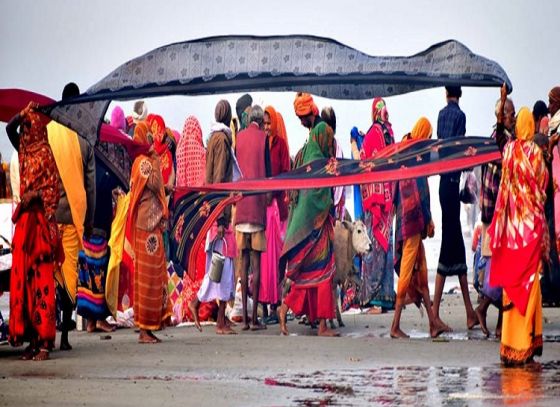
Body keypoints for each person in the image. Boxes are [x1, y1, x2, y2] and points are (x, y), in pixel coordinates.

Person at [489, 86, 546, 365]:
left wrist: (501, 102)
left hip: (511, 230)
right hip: (531, 230)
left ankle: (511, 346)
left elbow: (499, 138)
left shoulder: (509, 151)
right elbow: (543, 186)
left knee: (512, 286)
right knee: (531, 285)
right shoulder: (535, 154)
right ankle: (529, 341)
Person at [278, 92, 338, 337]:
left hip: (312, 216)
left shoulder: (314, 138)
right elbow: (324, 175)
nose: (301, 122)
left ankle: (286, 310)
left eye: (302, 117)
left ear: (310, 114)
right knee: (324, 267)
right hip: (317, 217)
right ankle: (322, 324)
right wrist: (327, 202)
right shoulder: (319, 137)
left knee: (312, 271)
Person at [6, 102, 60, 360]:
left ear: (38, 127)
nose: (24, 131)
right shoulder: (23, 151)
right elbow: (9, 129)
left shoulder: (46, 154)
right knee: (24, 283)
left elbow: (53, 190)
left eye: (28, 126)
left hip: (39, 222)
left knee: (42, 283)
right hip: (25, 225)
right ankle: (31, 339)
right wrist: (21, 113)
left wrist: (34, 195)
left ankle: (45, 342)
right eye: (24, 128)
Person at [47, 83, 97, 350]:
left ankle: (46, 333)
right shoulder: (83, 138)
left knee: (51, 275)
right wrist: (88, 223)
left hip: (49, 216)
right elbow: (90, 187)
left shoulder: (48, 132)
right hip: (73, 216)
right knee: (70, 276)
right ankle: (64, 338)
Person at [391, 117, 448, 338]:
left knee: (421, 271)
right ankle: (395, 326)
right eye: (429, 135)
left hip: (404, 220)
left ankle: (433, 323)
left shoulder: (405, 148)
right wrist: (428, 219)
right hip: (412, 224)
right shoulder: (416, 155)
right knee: (406, 273)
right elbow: (422, 194)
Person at [189, 100, 237, 335]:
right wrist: (220, 219)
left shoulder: (215, 139)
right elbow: (219, 179)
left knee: (220, 267)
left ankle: (219, 317)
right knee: (222, 267)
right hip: (220, 213)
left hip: (217, 211)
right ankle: (207, 310)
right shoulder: (222, 141)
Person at [432, 86, 477, 331]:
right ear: (460, 94)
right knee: (450, 245)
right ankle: (434, 315)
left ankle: (469, 312)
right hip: (452, 182)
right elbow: (459, 148)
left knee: (456, 245)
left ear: (445, 93)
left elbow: (441, 146)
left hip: (442, 183)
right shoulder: (460, 117)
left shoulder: (441, 115)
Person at [128, 122, 172, 343]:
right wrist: (155, 157)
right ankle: (145, 329)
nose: (150, 141)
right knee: (149, 278)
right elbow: (155, 183)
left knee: (155, 276)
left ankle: (150, 324)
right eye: (147, 137)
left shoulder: (139, 162)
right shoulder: (144, 163)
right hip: (147, 228)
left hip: (149, 226)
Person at [476, 97, 515, 338]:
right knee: (501, 269)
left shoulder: (495, 139)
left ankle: (501, 323)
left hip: (496, 213)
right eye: (509, 113)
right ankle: (484, 308)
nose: (513, 118)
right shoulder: (502, 140)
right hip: (497, 214)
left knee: (502, 268)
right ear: (501, 117)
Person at [235, 105, 271, 330]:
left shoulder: (238, 138)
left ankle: (246, 320)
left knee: (243, 262)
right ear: (260, 120)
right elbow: (267, 173)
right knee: (256, 264)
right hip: (257, 208)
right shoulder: (263, 139)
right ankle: (255, 319)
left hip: (241, 207)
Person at [360, 97, 396, 313]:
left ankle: (375, 301)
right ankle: (387, 298)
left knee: (373, 249)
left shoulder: (374, 132)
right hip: (388, 198)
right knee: (386, 248)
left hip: (376, 200)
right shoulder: (389, 133)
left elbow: (366, 162)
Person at [259, 105, 290, 325]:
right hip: (264, 209)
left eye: (270, 123)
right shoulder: (262, 145)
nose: (267, 127)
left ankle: (279, 304)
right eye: (265, 123)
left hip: (279, 209)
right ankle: (269, 305)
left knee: (278, 259)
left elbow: (286, 175)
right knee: (265, 259)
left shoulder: (281, 146)